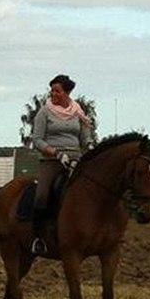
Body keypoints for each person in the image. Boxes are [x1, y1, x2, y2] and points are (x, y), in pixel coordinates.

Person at [30, 74, 92, 255]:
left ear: (67, 92)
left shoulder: (78, 111)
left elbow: (85, 136)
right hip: (52, 160)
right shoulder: (44, 112)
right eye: (52, 90)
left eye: (57, 91)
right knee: (41, 196)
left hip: (76, 159)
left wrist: (89, 144)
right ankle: (38, 238)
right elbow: (37, 140)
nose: (53, 94)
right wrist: (56, 153)